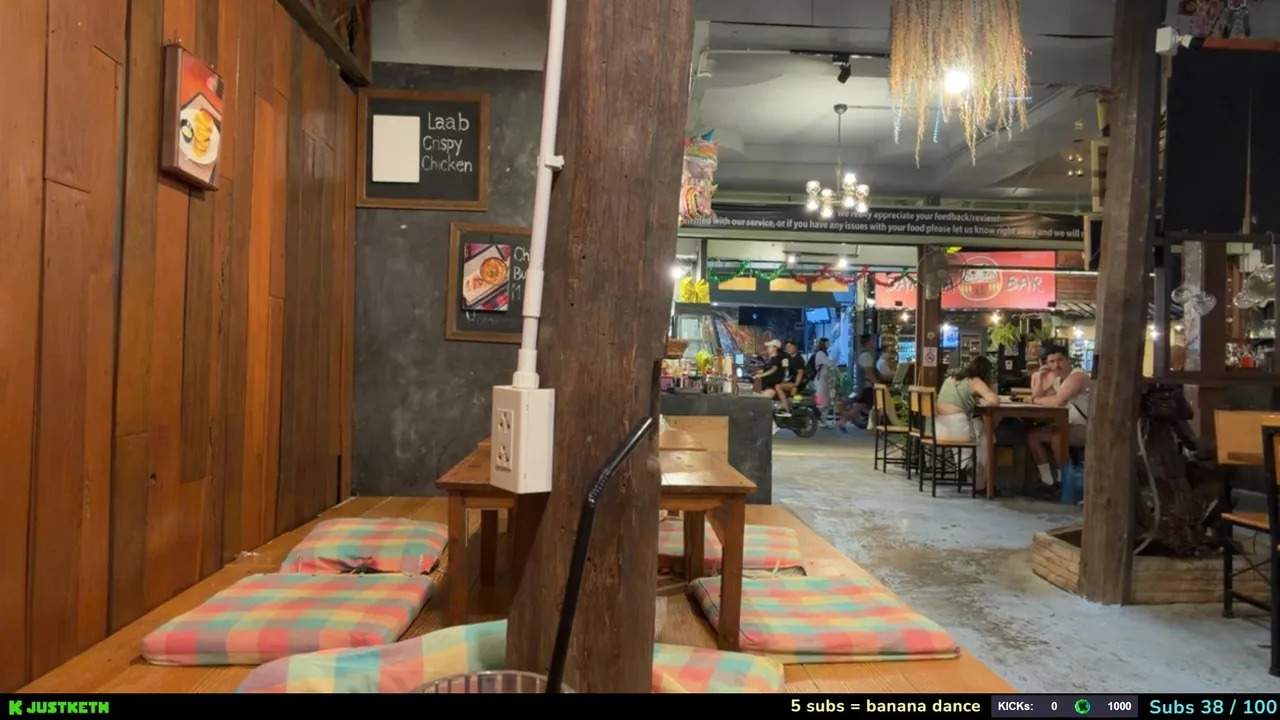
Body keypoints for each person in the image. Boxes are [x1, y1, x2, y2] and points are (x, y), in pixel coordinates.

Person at [1027, 343, 1091, 487]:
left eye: (1060, 360)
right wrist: (1041, 377)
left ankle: (1064, 481)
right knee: (1033, 437)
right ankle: (1048, 481)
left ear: (1068, 361)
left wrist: (1035, 400)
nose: (1056, 365)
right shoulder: (1059, 381)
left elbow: (1056, 402)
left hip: (1087, 427)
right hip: (1070, 425)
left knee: (1058, 437)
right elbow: (1039, 397)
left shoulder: (1077, 376)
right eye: (1052, 361)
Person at [935, 356, 1001, 491]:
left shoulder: (951, 378)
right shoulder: (975, 381)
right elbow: (994, 400)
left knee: (982, 433)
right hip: (958, 428)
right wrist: (983, 399)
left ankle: (969, 468)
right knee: (987, 435)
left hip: (940, 428)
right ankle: (981, 479)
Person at [838, 334, 885, 431]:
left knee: (866, 406)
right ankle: (874, 427)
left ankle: (844, 420)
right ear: (868, 342)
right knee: (868, 405)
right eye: (872, 341)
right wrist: (877, 383)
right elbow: (869, 372)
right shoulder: (866, 355)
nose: (873, 343)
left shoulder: (862, 354)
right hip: (867, 386)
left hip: (864, 386)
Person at [753, 339, 792, 415]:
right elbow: (769, 368)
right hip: (767, 386)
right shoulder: (772, 359)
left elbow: (773, 369)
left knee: (761, 406)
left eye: (769, 346)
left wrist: (761, 375)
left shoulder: (777, 358)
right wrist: (761, 371)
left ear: (775, 348)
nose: (768, 348)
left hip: (772, 387)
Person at [807, 338, 837, 422]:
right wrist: (836, 357)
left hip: (822, 380)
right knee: (822, 401)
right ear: (823, 344)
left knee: (825, 401)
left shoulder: (823, 354)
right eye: (827, 343)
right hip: (819, 381)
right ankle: (815, 418)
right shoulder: (820, 354)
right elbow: (830, 364)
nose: (829, 345)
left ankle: (822, 420)